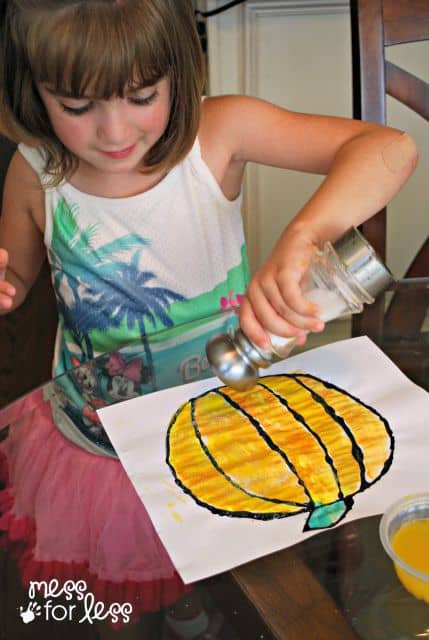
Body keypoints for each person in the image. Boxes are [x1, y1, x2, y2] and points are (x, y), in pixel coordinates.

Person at [0, 0, 418, 638]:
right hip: (99, 437)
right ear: (34, 93)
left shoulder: (218, 131)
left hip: (227, 416)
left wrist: (305, 234)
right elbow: (20, 277)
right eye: (78, 107)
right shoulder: (36, 174)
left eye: (142, 95)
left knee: (211, 542)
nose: (114, 133)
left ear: (176, 69)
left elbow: (389, 147)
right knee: (120, 561)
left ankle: (186, 602)